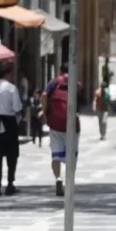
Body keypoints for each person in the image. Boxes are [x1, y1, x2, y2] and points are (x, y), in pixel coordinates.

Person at [42, 63, 80, 197]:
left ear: (60, 70)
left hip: (55, 123)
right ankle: (70, 182)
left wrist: (45, 112)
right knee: (72, 153)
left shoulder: (54, 82)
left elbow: (45, 95)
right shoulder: (75, 82)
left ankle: (58, 178)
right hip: (72, 124)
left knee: (56, 154)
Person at [0, 62, 22, 196]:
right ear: (7, 73)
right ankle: (10, 184)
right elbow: (17, 108)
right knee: (12, 155)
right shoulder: (12, 88)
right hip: (9, 122)